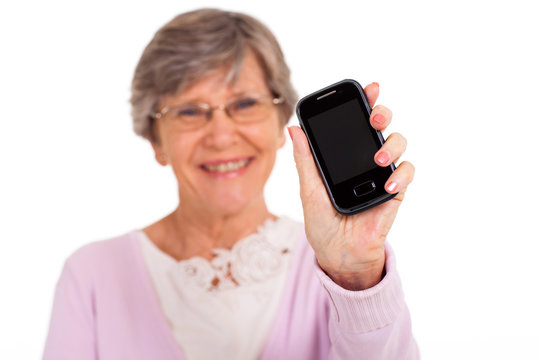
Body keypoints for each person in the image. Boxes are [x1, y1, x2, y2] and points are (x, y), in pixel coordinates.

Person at [43, 8, 418, 360]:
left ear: (279, 126)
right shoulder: (91, 276)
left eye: (245, 104)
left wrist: (355, 276)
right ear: (155, 140)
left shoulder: (339, 264)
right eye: (189, 111)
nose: (221, 136)